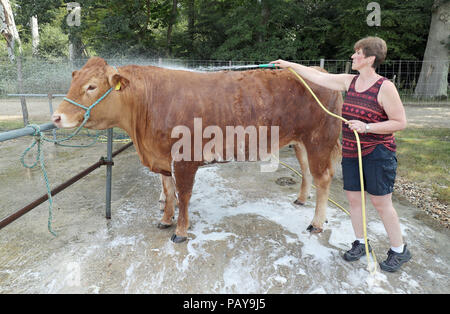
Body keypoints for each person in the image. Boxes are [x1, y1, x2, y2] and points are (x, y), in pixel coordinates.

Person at [270, 36, 411, 272]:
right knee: (354, 200)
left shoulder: (385, 87)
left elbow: (400, 122)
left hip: (378, 152)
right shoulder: (350, 81)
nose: (353, 57)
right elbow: (319, 77)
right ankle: (361, 243)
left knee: (380, 202)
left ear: (369, 59)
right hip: (352, 151)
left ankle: (399, 250)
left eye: (357, 53)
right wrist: (290, 65)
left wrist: (367, 127)